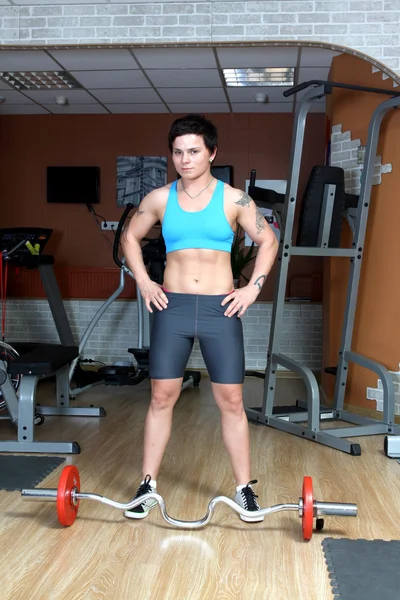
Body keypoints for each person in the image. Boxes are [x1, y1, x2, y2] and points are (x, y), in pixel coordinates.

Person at [121, 114, 278, 522]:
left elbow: (268, 240)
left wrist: (253, 288)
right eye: (178, 152)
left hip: (218, 309)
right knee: (160, 397)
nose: (185, 159)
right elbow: (129, 237)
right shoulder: (159, 198)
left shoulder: (235, 199)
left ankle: (244, 488)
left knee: (231, 400)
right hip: (171, 307)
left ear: (212, 152)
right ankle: (146, 484)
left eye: (193, 151)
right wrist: (144, 280)